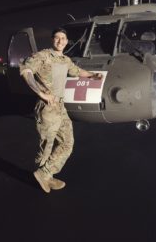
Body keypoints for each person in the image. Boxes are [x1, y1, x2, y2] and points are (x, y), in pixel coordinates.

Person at [19, 27, 102, 193]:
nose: (60, 41)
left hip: (60, 108)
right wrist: (41, 93)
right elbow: (26, 71)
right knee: (47, 146)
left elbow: (77, 71)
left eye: (63, 38)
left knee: (67, 142)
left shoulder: (65, 60)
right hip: (47, 108)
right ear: (52, 40)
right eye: (57, 37)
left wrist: (92, 75)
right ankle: (40, 178)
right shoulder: (42, 56)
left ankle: (46, 174)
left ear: (66, 41)